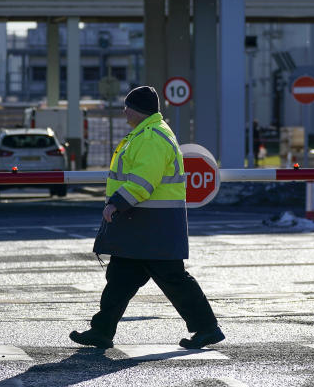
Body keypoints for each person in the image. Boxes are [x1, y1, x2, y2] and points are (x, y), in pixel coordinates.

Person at [70, 85, 223, 350]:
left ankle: (208, 328)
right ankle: (101, 331)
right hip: (145, 226)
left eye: (127, 105)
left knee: (172, 279)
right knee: (119, 279)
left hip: (153, 226)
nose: (124, 110)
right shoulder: (145, 133)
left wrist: (117, 203)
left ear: (137, 109)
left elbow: (144, 181)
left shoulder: (151, 136)